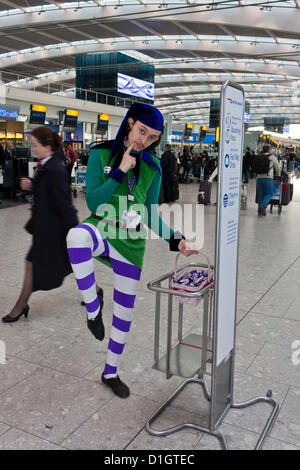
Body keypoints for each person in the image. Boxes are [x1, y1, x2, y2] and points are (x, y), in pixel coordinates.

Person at [66, 102, 199, 398]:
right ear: (130, 123)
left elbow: (151, 213)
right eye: (142, 131)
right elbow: (93, 202)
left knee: (125, 313)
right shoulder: (101, 153)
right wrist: (119, 171)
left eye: (152, 137)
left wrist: (177, 239)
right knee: (76, 237)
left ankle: (110, 372)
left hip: (132, 242)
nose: (144, 140)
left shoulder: (153, 167)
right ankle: (92, 309)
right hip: (102, 226)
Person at [2, 126, 78, 322]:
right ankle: (95, 291)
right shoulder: (47, 165)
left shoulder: (55, 169)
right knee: (70, 264)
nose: (32, 148)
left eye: (35, 145)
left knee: (34, 263)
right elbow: (47, 190)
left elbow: (64, 203)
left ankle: (19, 307)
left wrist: (76, 231)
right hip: (45, 227)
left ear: (47, 146)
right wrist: (32, 185)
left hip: (52, 229)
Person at [255, 144, 280, 216]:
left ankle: (260, 212)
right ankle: (264, 205)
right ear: (269, 150)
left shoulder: (259, 156)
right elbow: (277, 168)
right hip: (268, 178)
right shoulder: (272, 157)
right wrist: (278, 175)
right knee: (269, 193)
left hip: (259, 178)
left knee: (260, 195)